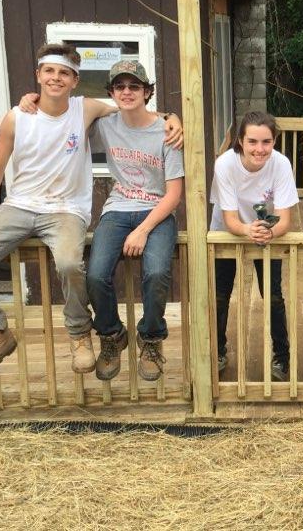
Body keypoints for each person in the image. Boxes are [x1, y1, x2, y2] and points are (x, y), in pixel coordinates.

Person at [0, 43, 182, 383]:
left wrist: (172, 117)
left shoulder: (87, 109)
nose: (56, 78)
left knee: (77, 265)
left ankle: (96, 336)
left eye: (64, 72)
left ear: (75, 80)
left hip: (70, 209)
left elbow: (137, 110)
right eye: (49, 71)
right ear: (38, 75)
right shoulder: (21, 116)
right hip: (23, 204)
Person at [85, 60, 184, 382]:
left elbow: (174, 194)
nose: (127, 92)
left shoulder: (167, 132)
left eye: (134, 86)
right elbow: (66, 115)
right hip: (117, 208)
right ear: (112, 92)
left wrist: (143, 230)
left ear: (147, 92)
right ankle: (112, 335)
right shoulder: (105, 125)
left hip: (157, 210)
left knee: (156, 272)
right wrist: (30, 102)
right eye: (120, 87)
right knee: (96, 274)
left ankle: (151, 339)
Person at [210, 111, 299, 381]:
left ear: (274, 141)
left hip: (267, 231)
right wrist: (248, 230)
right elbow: (229, 219)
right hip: (228, 231)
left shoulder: (281, 164)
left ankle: (282, 357)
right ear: (240, 140)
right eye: (252, 141)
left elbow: (285, 219)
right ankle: (218, 351)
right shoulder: (225, 164)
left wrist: (266, 232)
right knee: (220, 295)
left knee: (273, 296)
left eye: (266, 142)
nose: (259, 149)